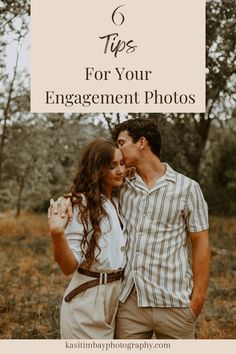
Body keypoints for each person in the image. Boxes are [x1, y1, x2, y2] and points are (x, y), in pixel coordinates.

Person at [51, 117, 210, 339]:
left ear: (142, 143)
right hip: (129, 305)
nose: (118, 149)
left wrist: (197, 301)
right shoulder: (123, 185)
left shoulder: (188, 189)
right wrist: (67, 201)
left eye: (122, 142)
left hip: (175, 303)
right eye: (113, 163)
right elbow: (91, 190)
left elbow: (201, 243)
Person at [48, 138, 126, 339]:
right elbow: (68, 267)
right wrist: (57, 234)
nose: (120, 170)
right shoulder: (81, 204)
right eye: (112, 166)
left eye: (122, 163)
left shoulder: (118, 200)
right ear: (97, 170)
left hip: (115, 298)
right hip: (87, 301)